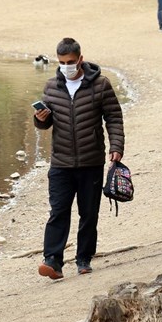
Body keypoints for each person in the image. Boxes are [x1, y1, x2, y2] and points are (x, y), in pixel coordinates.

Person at [33, 37, 125, 280]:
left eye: (71, 62)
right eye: (62, 62)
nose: (67, 66)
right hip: (60, 163)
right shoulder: (51, 86)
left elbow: (114, 117)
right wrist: (40, 119)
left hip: (91, 161)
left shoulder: (101, 85)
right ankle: (52, 261)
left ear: (80, 59)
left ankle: (84, 258)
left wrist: (116, 146)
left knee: (89, 214)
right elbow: (45, 124)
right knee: (58, 212)